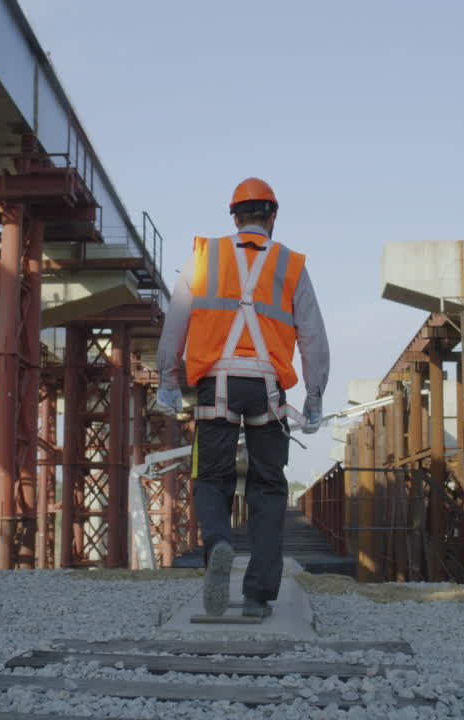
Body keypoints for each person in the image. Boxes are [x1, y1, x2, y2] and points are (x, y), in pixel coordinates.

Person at [156, 177, 329, 619]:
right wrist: (314, 395)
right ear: (272, 215)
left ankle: (218, 543)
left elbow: (175, 321)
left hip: (217, 386)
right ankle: (257, 595)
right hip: (268, 389)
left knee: (211, 478)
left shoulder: (204, 257)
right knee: (269, 487)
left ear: (233, 217)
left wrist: (169, 380)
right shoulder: (290, 264)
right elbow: (312, 333)